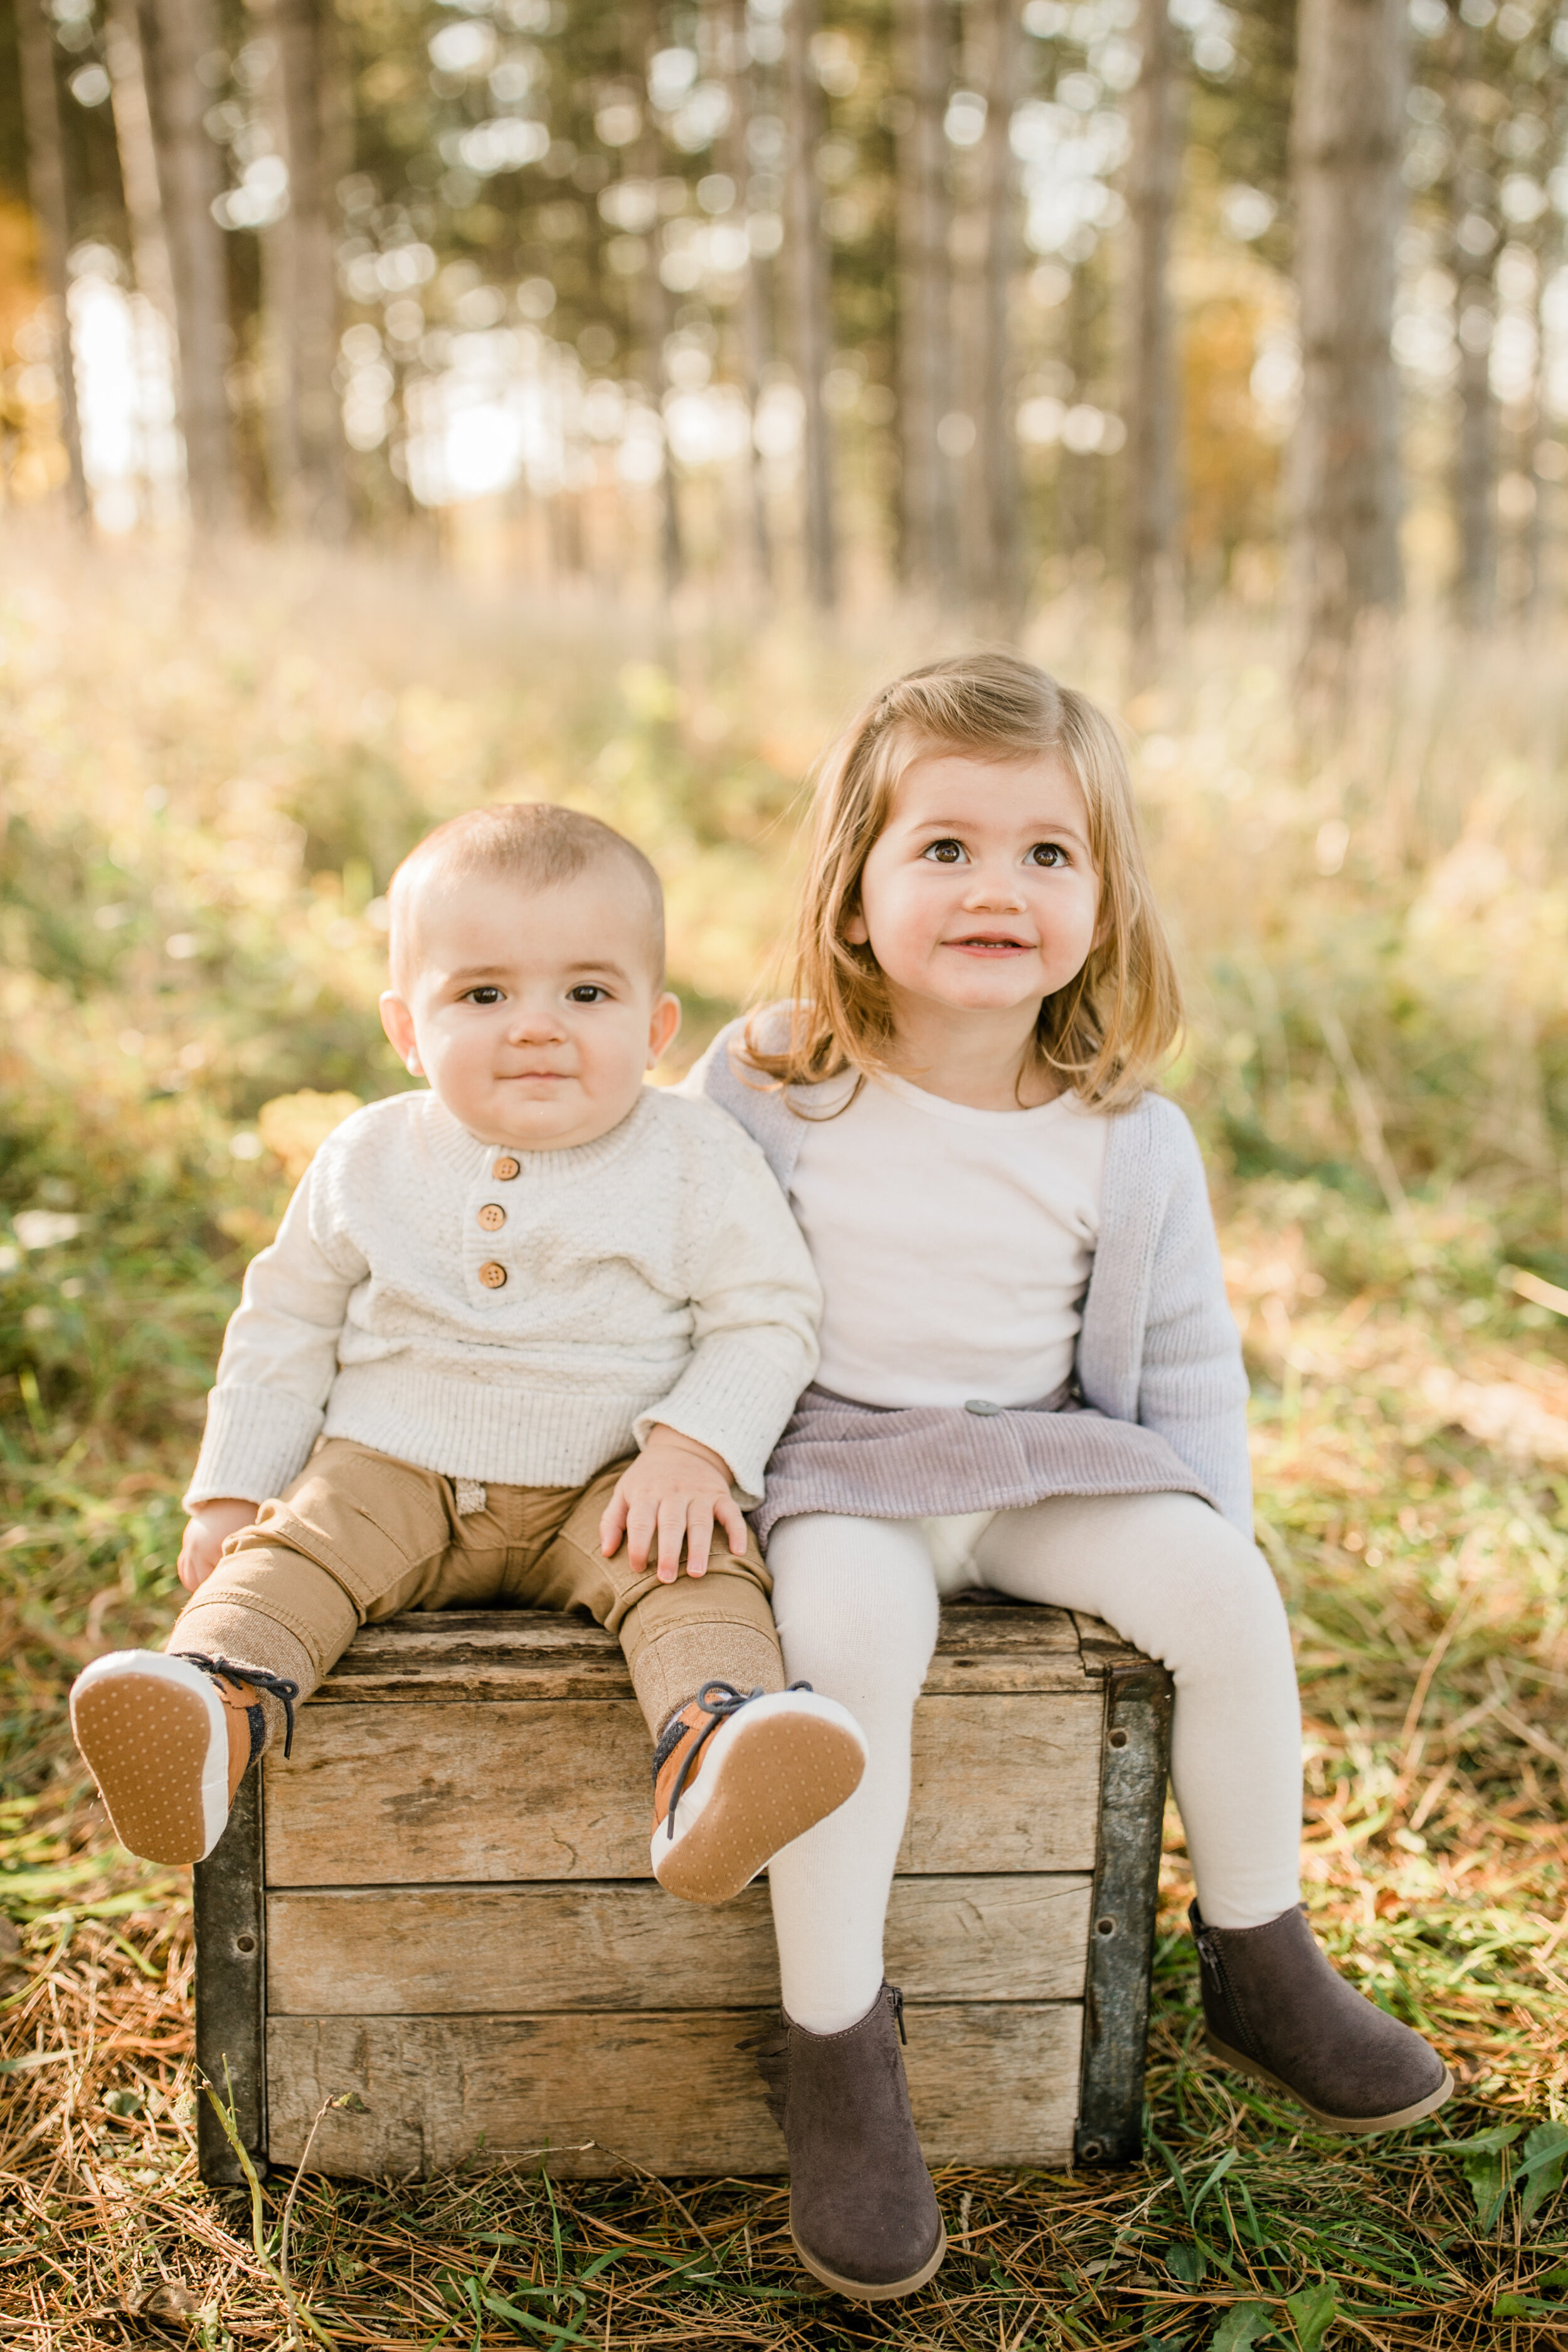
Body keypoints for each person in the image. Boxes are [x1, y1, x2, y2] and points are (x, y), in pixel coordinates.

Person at [687, 652, 1451, 2302]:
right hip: (836, 1464)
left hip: (1038, 1449)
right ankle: (835, 2038)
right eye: (944, 846)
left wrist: (1201, 1537)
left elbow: (1182, 1368)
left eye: (1047, 853)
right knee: (844, 1666)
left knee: (1227, 1599)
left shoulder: (1121, 1128)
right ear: (854, 885)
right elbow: (673, 1282)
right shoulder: (769, 1079)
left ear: (1100, 901)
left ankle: (1256, 1948)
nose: (997, 886)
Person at [71, 803, 866, 1909]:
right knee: (291, 1553)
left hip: (616, 1484)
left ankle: (716, 1753)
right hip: (394, 1466)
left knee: (698, 1572)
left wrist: (692, 1452)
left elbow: (768, 1312)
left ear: (655, 1027)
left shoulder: (695, 1157)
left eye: (586, 992)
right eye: (484, 994)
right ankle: (210, 1711)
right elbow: (285, 1320)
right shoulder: (368, 1156)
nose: (536, 1026)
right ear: (407, 1027)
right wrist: (231, 1490)